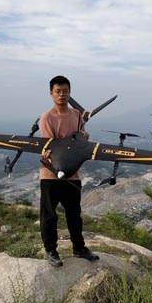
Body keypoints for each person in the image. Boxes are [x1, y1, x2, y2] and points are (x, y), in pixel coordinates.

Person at [39, 75, 100, 267]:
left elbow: (80, 137)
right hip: (51, 175)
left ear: (69, 92)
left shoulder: (76, 115)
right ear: (51, 94)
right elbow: (52, 146)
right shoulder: (47, 117)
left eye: (65, 91)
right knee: (49, 215)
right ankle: (51, 251)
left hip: (73, 174)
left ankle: (79, 248)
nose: (62, 94)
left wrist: (84, 136)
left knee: (74, 214)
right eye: (58, 91)